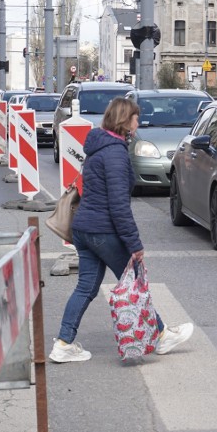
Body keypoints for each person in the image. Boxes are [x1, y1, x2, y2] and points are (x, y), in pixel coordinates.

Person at [50, 97, 194, 363]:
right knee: (135, 284)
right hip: (103, 231)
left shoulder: (97, 146)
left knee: (85, 288)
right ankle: (161, 336)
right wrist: (135, 245)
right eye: (136, 118)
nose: (138, 122)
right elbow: (118, 206)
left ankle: (63, 343)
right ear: (124, 121)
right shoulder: (114, 152)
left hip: (84, 228)